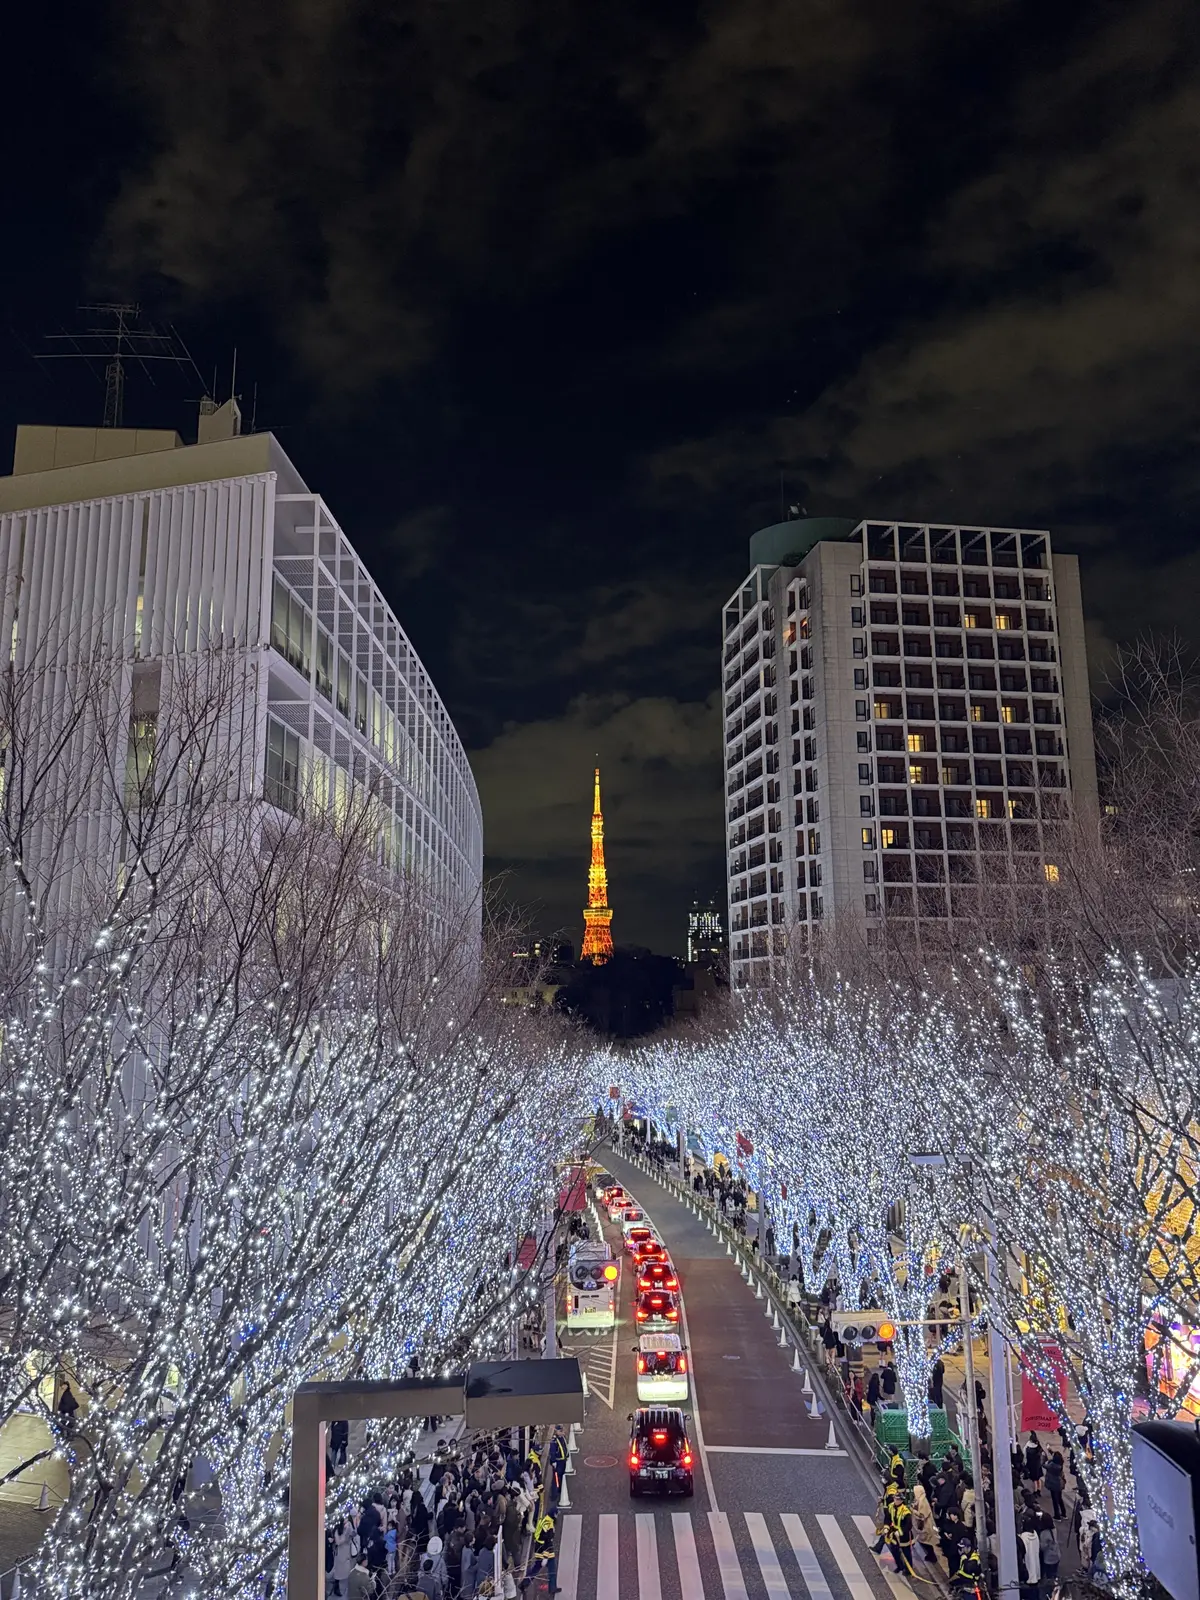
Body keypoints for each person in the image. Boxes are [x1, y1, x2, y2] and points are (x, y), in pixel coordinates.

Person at [520, 1505, 560, 1594]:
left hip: (538, 1547)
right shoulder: (549, 1524)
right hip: (545, 1549)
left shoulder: (545, 1519)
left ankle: (524, 1584)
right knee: (552, 1569)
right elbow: (547, 1541)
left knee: (536, 1568)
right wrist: (545, 1556)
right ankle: (552, 1588)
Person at [1044, 1450, 1066, 1519]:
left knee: (1055, 1501)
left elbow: (1044, 1465)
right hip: (1059, 1483)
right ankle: (1064, 1513)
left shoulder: (1052, 1465)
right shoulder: (1060, 1464)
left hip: (1053, 1484)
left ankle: (1057, 1516)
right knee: (1059, 1499)